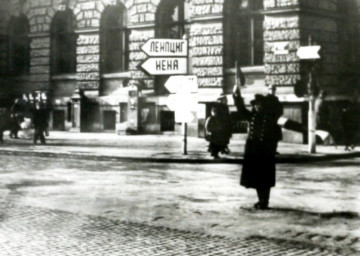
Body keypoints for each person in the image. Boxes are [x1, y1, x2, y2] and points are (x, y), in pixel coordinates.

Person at [233, 85, 282, 210]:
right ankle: (261, 200)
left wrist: (271, 94)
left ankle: (265, 201)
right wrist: (237, 96)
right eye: (255, 105)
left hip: (265, 151)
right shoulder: (253, 116)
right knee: (256, 179)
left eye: (259, 104)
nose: (257, 106)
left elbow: (279, 110)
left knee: (265, 179)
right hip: (253, 151)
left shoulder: (270, 117)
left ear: (264, 105)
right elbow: (241, 109)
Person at [265, 85, 283, 154]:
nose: (272, 91)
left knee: (275, 137)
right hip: (269, 121)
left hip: (275, 120)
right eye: (270, 89)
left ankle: (274, 150)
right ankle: (268, 150)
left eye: (273, 90)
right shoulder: (266, 99)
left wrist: (278, 115)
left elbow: (280, 109)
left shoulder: (276, 99)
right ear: (268, 90)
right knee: (268, 136)